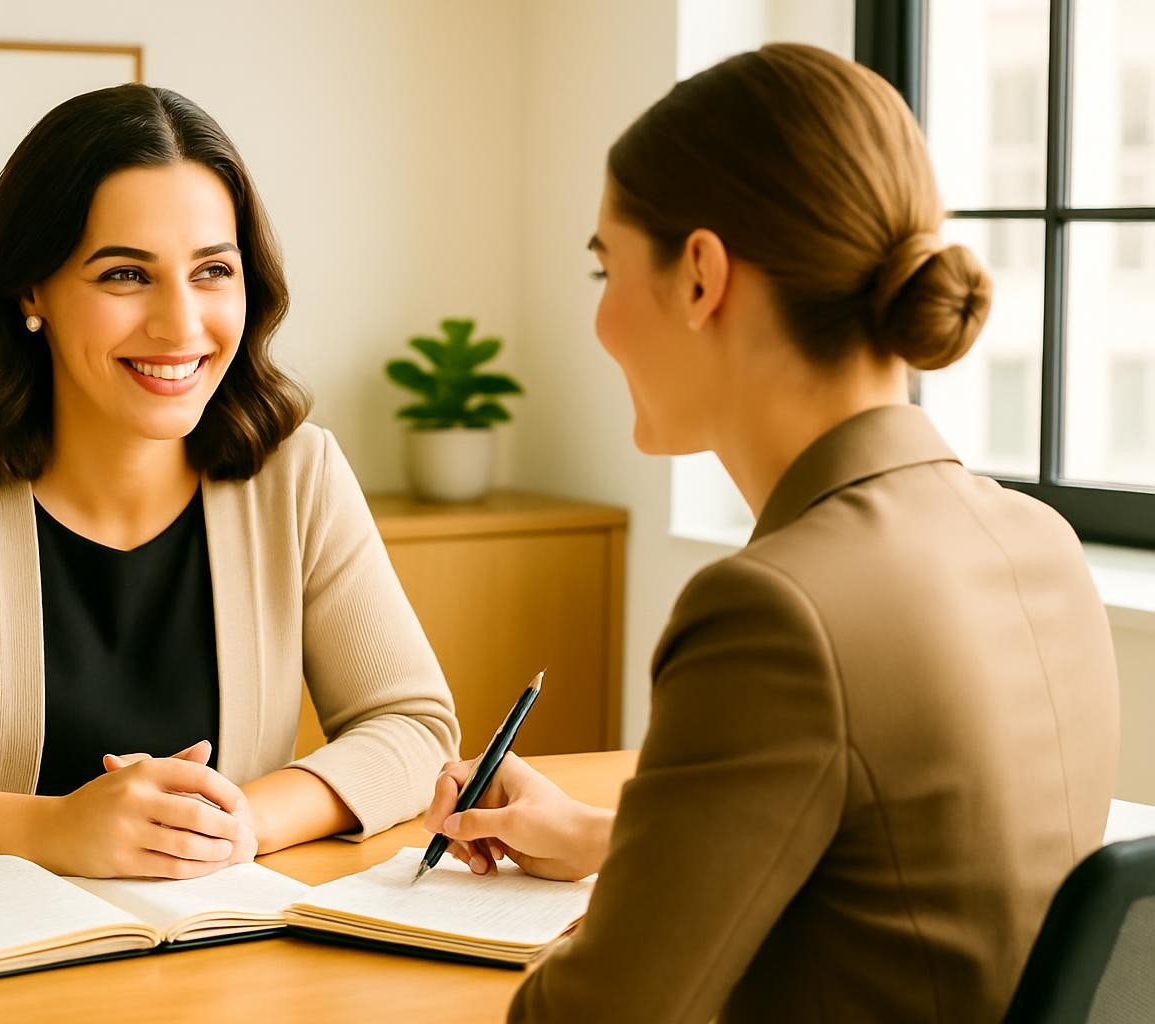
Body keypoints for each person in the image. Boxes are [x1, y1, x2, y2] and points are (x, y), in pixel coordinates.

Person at [425, 43, 1119, 1023]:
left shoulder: (774, 610)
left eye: (604, 267)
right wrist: (607, 840)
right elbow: (896, 868)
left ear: (700, 276)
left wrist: (597, 942)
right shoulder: (1041, 544)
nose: (600, 320)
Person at [0, 83, 459, 879]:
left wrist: (241, 822)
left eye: (213, 270)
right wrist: (52, 830)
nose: (180, 325)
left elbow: (414, 727)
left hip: (217, 941)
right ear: (31, 288)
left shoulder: (298, 475)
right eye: (125, 275)